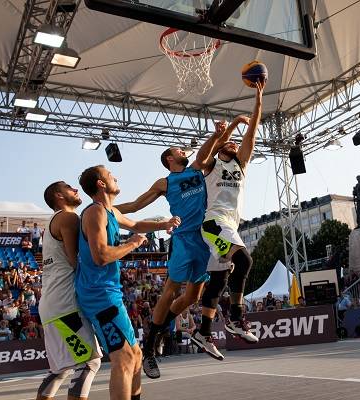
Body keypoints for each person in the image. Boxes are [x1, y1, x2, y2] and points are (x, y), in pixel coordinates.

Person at [115, 117, 247, 377]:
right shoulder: (164, 183)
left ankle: (163, 329)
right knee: (171, 289)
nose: (182, 151)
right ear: (169, 159)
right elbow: (134, 206)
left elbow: (213, 146)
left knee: (192, 297)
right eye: (178, 151)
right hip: (183, 240)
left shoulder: (197, 168)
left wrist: (227, 129)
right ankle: (150, 348)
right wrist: (103, 209)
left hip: (203, 240)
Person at [76, 165, 180, 400]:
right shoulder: (95, 212)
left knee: (135, 355)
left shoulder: (109, 212)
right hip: (99, 295)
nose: (116, 177)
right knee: (123, 359)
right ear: (101, 184)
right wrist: (133, 244)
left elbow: (135, 225)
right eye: (111, 176)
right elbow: (100, 256)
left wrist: (163, 225)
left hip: (109, 293)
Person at [193, 81, 265, 357]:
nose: (236, 144)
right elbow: (200, 158)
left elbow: (253, 132)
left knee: (218, 282)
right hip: (214, 223)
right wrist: (229, 128)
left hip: (228, 226)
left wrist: (257, 99)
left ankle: (203, 331)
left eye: (237, 143)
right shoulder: (213, 165)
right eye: (231, 143)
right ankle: (236, 317)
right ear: (223, 147)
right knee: (244, 259)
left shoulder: (240, 164)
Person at [36, 181, 103, 400]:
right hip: (65, 305)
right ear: (59, 195)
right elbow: (76, 262)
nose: (75, 189)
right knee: (88, 363)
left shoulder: (52, 223)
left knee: (60, 369)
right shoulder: (68, 217)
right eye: (69, 187)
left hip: (51, 304)